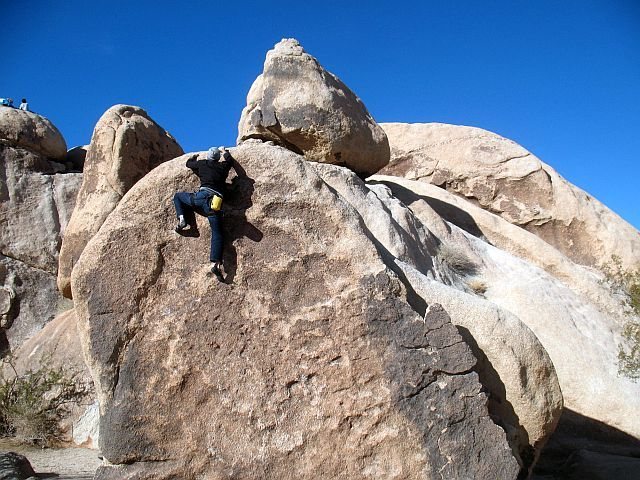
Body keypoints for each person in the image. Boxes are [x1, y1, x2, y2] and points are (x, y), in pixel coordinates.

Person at [173, 146, 234, 282]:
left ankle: (182, 219)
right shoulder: (223, 167)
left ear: (208, 157)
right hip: (213, 204)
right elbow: (230, 161)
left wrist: (194, 157)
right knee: (217, 234)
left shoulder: (202, 164)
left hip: (198, 199)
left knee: (178, 196)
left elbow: (189, 164)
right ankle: (215, 263)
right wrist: (226, 152)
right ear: (218, 158)